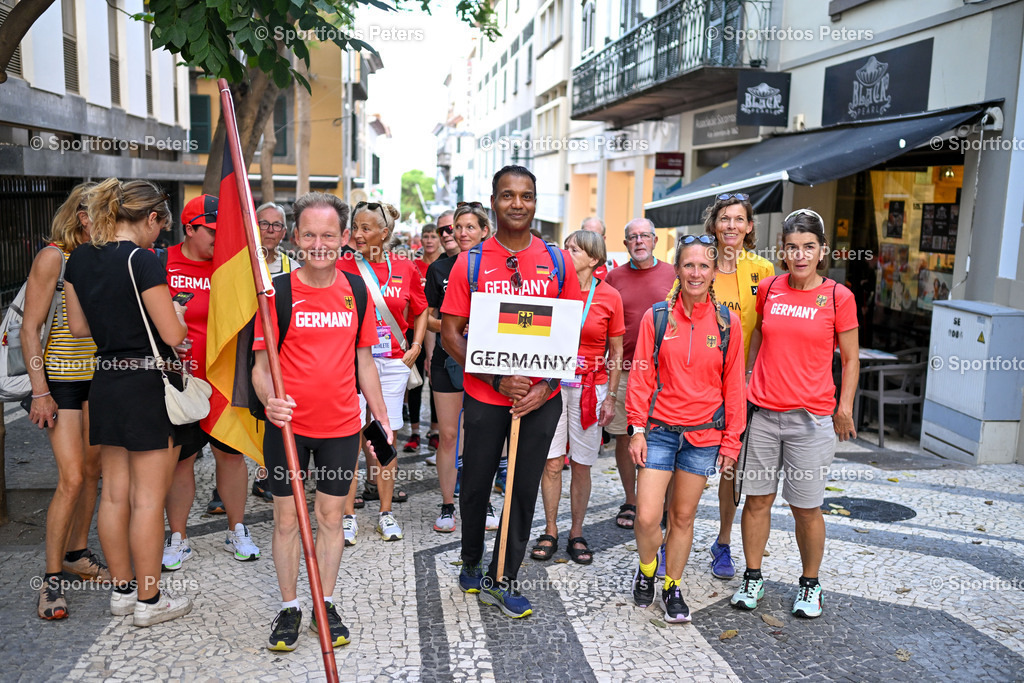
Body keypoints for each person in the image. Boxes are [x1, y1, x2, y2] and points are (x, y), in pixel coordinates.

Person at [252, 191, 391, 652]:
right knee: (288, 520)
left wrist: (383, 418)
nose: (319, 244)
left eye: (328, 235)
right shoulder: (277, 293)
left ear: (344, 237)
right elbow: (258, 366)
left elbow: (365, 361)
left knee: (331, 518)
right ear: (295, 237)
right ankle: (290, 606)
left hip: (341, 427)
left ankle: (323, 602)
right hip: (287, 430)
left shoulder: (355, 291)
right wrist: (269, 400)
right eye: (309, 234)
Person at [441, 165, 582, 618]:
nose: (517, 203)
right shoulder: (473, 260)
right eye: (507, 195)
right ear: (494, 202)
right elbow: (450, 333)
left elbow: (569, 334)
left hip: (539, 401)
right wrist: (495, 377)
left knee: (522, 490)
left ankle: (503, 577)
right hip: (485, 398)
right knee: (478, 486)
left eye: (526, 195)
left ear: (536, 201)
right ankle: (470, 557)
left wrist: (544, 386)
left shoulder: (558, 262)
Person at [63, 178, 192, 627]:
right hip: (144, 385)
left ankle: (121, 591)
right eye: (161, 225)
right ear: (150, 217)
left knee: (114, 494)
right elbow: (174, 337)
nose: (159, 236)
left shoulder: (78, 259)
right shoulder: (143, 261)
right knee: (147, 500)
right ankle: (149, 601)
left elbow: (79, 328)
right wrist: (176, 314)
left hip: (104, 382)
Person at [730, 208, 859, 619]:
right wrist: (747, 383)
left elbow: (852, 360)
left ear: (822, 251)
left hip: (811, 419)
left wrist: (845, 407)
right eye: (791, 247)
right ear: (782, 251)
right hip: (764, 415)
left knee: (807, 507)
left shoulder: (839, 297)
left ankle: (810, 584)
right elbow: (755, 341)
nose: (800, 255)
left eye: (808, 247)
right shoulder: (768, 289)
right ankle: (753, 577)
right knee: (757, 501)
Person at [625, 235, 746, 622]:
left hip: (703, 436)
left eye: (704, 266)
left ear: (714, 273)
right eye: (688, 265)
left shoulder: (728, 323)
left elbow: (734, 387)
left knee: (682, 517)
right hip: (658, 430)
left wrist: (731, 442)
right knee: (646, 516)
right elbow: (641, 376)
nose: (696, 272)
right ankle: (647, 571)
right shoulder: (657, 317)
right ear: (677, 269)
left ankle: (672, 586)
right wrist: (636, 429)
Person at [22, 182, 111, 620]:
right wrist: (40, 391)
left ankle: (77, 552)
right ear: (83, 216)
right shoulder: (53, 257)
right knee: (72, 478)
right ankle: (51, 579)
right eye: (108, 213)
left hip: (101, 378)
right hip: (61, 380)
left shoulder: (102, 256)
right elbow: (29, 328)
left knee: (93, 472)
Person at [161, 195, 261, 572]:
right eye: (212, 232)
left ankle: (237, 528)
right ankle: (178, 538)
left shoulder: (231, 265)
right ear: (189, 228)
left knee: (231, 455)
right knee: (181, 461)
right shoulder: (160, 262)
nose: (220, 239)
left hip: (223, 378)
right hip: (180, 382)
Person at [338, 201, 427, 543]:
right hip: (351, 362)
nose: (357, 235)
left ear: (384, 233)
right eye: (355, 227)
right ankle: (348, 516)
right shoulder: (343, 263)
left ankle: (385, 514)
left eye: (365, 228)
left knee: (382, 440)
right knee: (349, 438)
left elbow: (420, 308)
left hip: (392, 363)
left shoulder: (405, 267)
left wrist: (416, 346)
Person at [533, 229, 623, 565]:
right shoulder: (554, 289)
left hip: (591, 387)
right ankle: (551, 528)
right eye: (567, 247)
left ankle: (577, 531)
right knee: (553, 462)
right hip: (553, 386)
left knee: (582, 465)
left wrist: (611, 396)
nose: (567, 253)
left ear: (594, 259)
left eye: (575, 249)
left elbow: (616, 351)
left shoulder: (610, 296)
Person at [701, 193, 774, 580]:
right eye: (724, 219)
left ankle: (723, 542)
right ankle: (668, 541)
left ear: (749, 227)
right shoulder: (700, 262)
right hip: (698, 385)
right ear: (714, 225)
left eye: (738, 219)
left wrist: (752, 375)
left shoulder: (762, 270)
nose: (731, 226)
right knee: (687, 469)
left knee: (731, 470)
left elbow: (768, 327)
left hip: (742, 388)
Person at [424, 202, 497, 533]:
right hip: (447, 360)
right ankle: (447, 505)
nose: (462, 232)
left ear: (484, 230)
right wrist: (452, 329)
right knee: (450, 435)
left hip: (486, 362)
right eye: (458, 227)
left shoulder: (497, 267)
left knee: (482, 435)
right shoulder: (439, 269)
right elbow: (431, 317)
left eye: (470, 227)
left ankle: (484, 501)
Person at [604, 219, 677, 531]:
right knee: (625, 436)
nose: (638, 241)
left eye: (644, 235)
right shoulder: (613, 277)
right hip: (624, 370)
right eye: (632, 237)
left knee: (662, 436)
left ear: (655, 240)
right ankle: (631, 499)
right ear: (625, 244)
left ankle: (660, 502)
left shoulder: (674, 275)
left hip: (666, 374)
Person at [405, 223, 442, 453]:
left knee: (436, 381)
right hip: (413, 329)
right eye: (425, 236)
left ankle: (436, 431)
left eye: (433, 236)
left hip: (438, 329)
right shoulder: (414, 266)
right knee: (415, 382)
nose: (429, 241)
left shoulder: (443, 266)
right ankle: (415, 432)